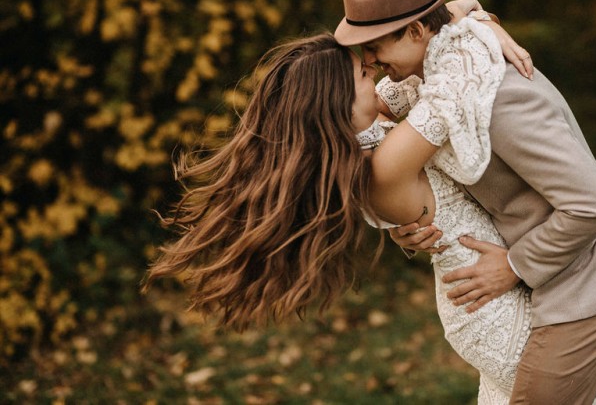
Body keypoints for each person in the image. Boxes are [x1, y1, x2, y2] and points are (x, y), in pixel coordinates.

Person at [141, 30, 552, 404]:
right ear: (338, 101)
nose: (373, 69)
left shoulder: (364, 139)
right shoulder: (385, 165)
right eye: (361, 71)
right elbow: (452, 84)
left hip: (488, 296)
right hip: (497, 315)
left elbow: (419, 59)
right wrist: (472, 20)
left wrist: (454, 17)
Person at [334, 0, 596, 404]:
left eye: (374, 47)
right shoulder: (435, 80)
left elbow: (593, 204)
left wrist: (514, 265)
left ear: (414, 32)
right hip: (578, 272)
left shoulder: (497, 95)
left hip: (591, 277)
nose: (368, 61)